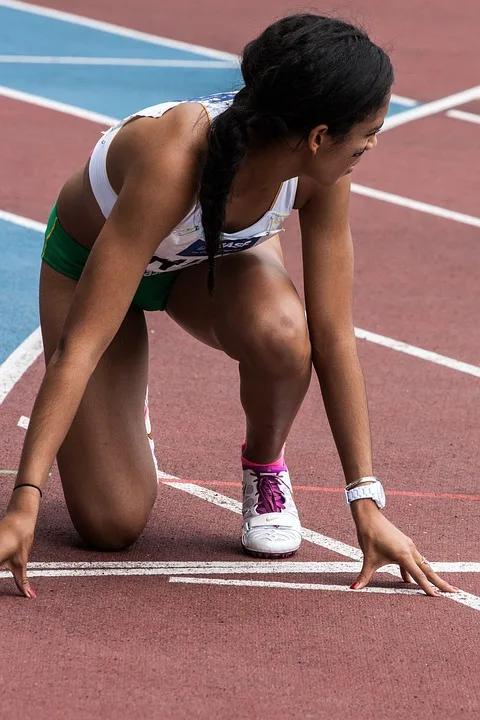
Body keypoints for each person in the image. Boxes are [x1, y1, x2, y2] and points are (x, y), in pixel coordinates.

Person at [0, 13, 457, 598]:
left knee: (288, 332)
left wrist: (364, 501)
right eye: (369, 130)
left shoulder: (321, 174)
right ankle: (123, 410)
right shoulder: (175, 156)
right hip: (91, 266)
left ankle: (264, 467)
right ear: (318, 135)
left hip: (202, 267)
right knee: (110, 525)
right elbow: (81, 343)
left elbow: (334, 335)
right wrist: (24, 500)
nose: (372, 143)